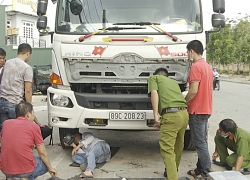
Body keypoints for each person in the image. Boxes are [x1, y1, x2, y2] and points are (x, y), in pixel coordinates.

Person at [147, 68, 189, 180]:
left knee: (167, 149)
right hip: (184, 114)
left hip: (171, 115)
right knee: (178, 146)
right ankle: (172, 171)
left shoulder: (153, 78)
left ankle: (172, 177)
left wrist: (155, 115)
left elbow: (154, 93)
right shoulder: (174, 83)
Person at [0, 101, 57, 180]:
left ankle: (10, 178)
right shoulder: (34, 127)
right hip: (25, 169)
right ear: (28, 114)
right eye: (33, 113)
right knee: (43, 163)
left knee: (13, 159)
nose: (33, 116)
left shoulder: (6, 124)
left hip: (5, 169)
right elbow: (42, 152)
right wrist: (50, 167)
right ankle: (25, 177)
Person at [185, 40, 214, 179]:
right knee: (202, 141)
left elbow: (193, 90)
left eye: (187, 52)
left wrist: (184, 102)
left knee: (199, 142)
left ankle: (206, 171)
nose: (187, 55)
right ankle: (199, 169)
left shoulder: (196, 67)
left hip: (197, 109)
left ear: (191, 51)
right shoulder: (207, 66)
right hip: (206, 108)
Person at [0, 43, 33, 132]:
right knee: (17, 131)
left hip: (2, 102)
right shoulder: (27, 68)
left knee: (4, 131)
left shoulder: (7, 63)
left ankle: (4, 146)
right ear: (28, 53)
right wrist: (29, 108)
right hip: (15, 104)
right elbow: (28, 90)